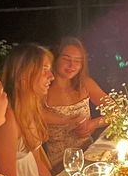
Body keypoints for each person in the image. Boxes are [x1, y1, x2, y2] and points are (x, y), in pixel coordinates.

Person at [0, 43, 55, 176]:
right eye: (45, 70)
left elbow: (39, 163)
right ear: (24, 74)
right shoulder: (8, 119)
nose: (52, 76)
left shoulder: (31, 106)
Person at [44, 37, 108, 168]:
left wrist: (94, 124)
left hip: (89, 155)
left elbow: (119, 113)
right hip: (58, 163)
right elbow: (32, 116)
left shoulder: (85, 84)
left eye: (78, 61)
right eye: (66, 59)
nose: (72, 65)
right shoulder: (43, 89)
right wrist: (67, 120)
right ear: (55, 58)